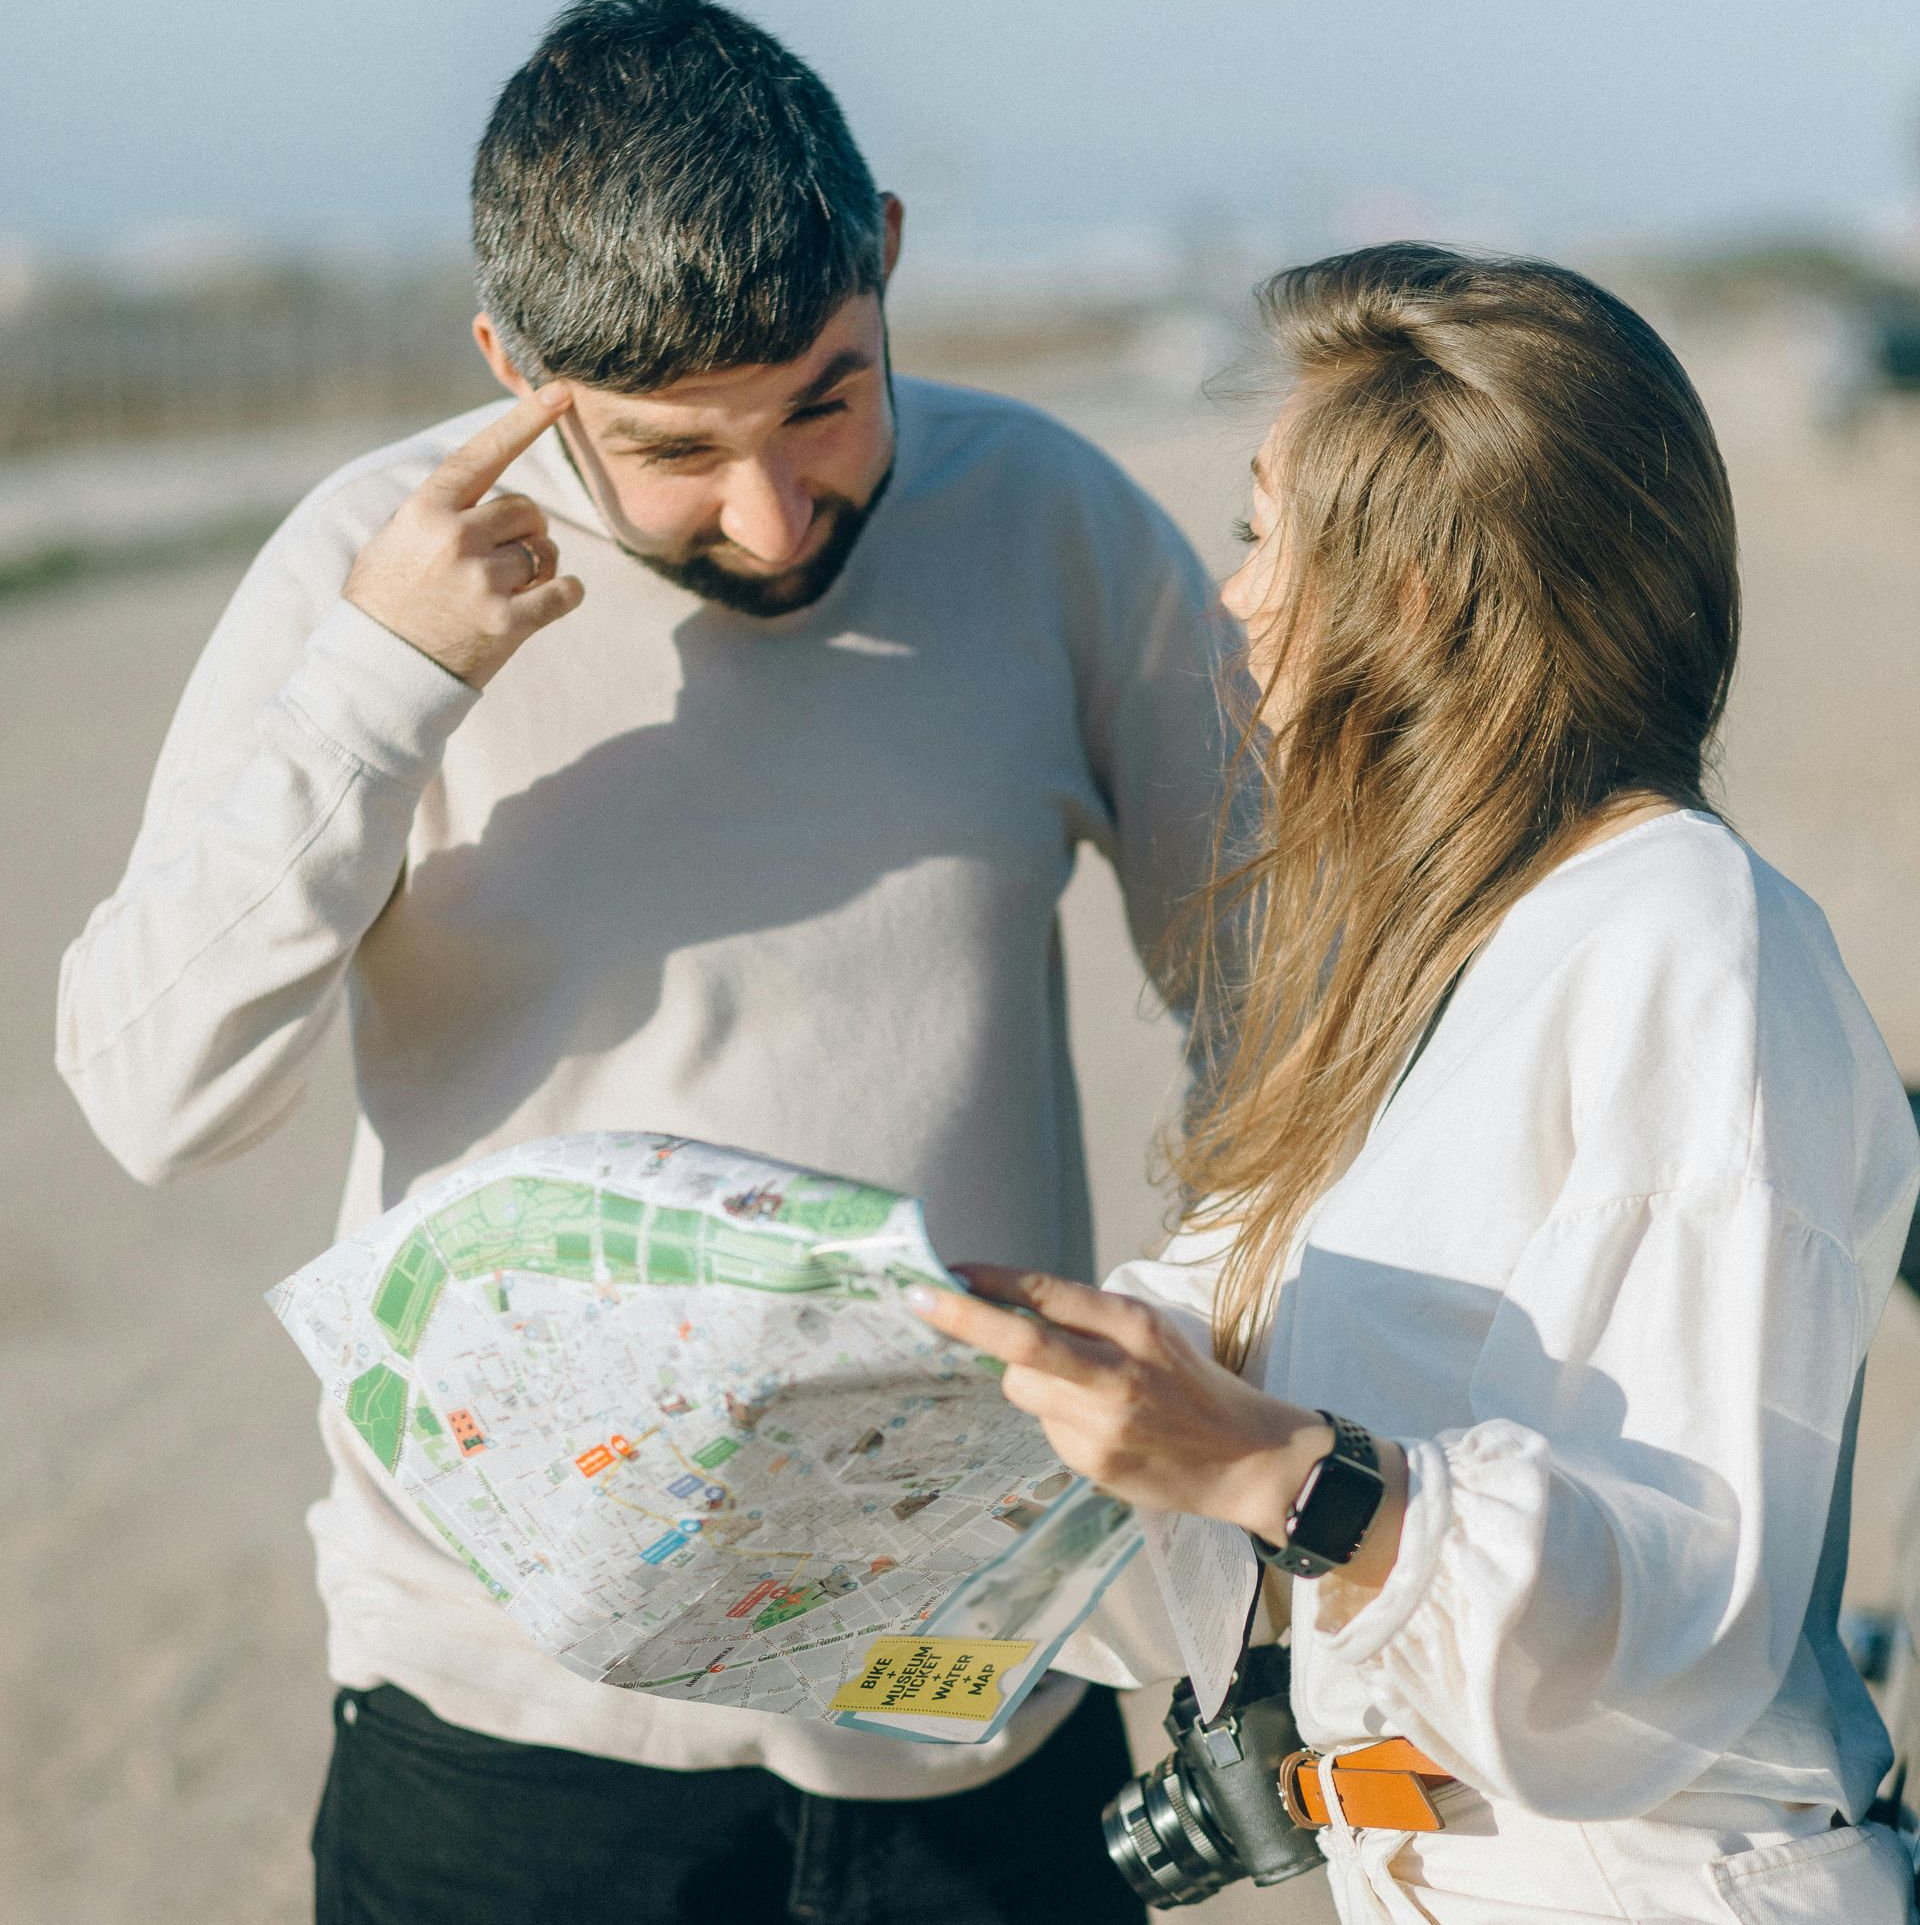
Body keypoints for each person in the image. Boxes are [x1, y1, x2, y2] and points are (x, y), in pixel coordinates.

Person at [55, 5, 1236, 1920]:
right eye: (676, 451)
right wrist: (385, 682)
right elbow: (151, 1098)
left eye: (828, 402)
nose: (773, 515)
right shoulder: (371, 561)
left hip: (971, 1715)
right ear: (514, 368)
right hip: (511, 1742)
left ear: (892, 258)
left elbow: (1285, 1005)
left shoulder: (1050, 519)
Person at [914, 244, 1920, 1922]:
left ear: (1425, 597)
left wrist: (1284, 1471)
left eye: (1262, 536)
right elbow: (1220, 1444)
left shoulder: (1692, 938)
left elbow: (1685, 1618)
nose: (1235, 600)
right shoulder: (1420, 951)